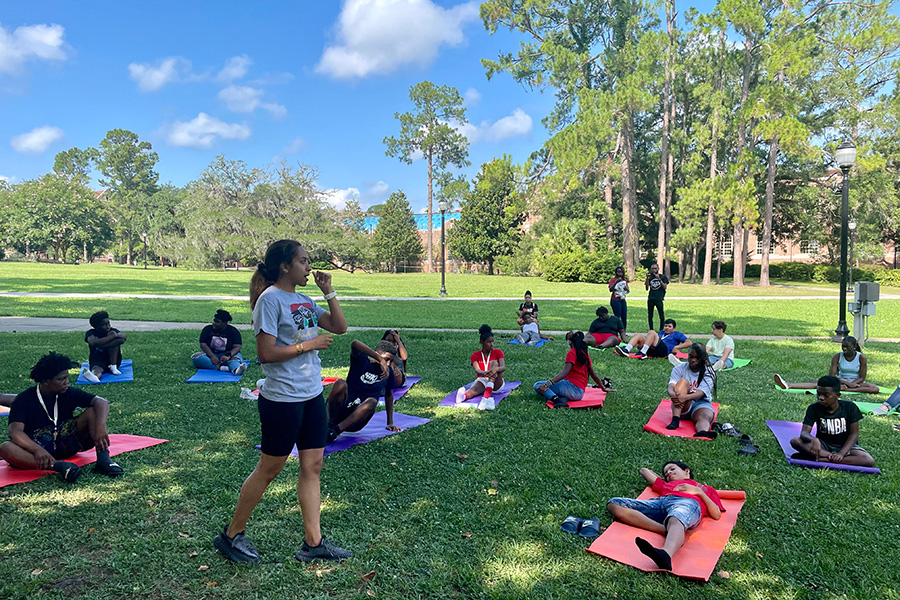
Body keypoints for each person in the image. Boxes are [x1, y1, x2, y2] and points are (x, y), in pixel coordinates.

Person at [213, 239, 351, 565]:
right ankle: (231, 535)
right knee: (270, 468)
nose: (309, 266)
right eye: (303, 261)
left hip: (311, 397)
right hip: (282, 401)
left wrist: (328, 292)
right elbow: (266, 354)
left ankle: (313, 543)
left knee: (312, 466)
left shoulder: (303, 299)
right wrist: (309, 344)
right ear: (285, 266)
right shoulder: (269, 301)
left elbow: (340, 327)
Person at [0, 352, 124, 483]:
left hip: (65, 442)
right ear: (46, 381)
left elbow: (101, 402)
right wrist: (37, 450)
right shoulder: (24, 400)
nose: (66, 382)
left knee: (93, 412)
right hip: (38, 449)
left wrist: (100, 426)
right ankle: (59, 466)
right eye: (61, 379)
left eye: (66, 377)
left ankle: (104, 459)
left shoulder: (67, 392)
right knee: (5, 448)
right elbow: (15, 432)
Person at [606, 461, 724, 571]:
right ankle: (666, 529)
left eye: (673, 469)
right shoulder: (666, 485)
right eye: (666, 474)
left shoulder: (704, 488)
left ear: (686, 471)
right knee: (614, 503)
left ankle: (666, 554)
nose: (669, 473)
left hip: (688, 502)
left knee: (676, 516)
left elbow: (716, 514)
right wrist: (666, 480)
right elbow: (644, 471)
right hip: (661, 502)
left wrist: (699, 492)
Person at [789, 375, 875, 467]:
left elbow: (854, 434)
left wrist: (841, 453)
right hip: (823, 446)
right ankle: (829, 458)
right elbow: (804, 432)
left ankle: (820, 460)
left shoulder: (850, 407)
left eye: (826, 395)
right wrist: (814, 439)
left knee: (868, 460)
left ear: (838, 395)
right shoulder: (813, 408)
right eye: (818, 394)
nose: (821, 398)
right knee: (795, 441)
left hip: (846, 447)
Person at [326, 340, 399, 443]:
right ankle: (329, 424)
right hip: (339, 411)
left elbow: (389, 395)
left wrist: (390, 422)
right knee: (340, 383)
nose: (387, 363)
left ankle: (334, 432)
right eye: (386, 359)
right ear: (376, 354)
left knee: (372, 402)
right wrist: (379, 360)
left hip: (356, 419)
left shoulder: (388, 373)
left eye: (390, 361)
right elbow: (355, 344)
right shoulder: (361, 361)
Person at [774, 336, 880, 394]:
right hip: (839, 382)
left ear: (854, 347)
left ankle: (847, 391)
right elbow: (832, 377)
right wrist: (843, 383)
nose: (844, 349)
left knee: (874, 389)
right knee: (818, 383)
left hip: (856, 384)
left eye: (847, 347)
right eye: (843, 346)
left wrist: (850, 385)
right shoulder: (837, 357)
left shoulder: (861, 357)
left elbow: (862, 377)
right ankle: (788, 385)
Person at [534, 331, 609, 408]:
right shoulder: (585, 354)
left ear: (569, 342)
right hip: (580, 393)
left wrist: (547, 384)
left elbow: (564, 373)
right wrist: (603, 388)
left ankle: (557, 400)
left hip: (571, 388)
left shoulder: (572, 353)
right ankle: (563, 398)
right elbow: (594, 374)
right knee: (554, 387)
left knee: (538, 385)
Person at [666, 343, 717, 438]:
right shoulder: (679, 368)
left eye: (696, 357)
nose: (693, 360)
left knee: (704, 417)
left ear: (703, 358)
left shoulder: (708, 373)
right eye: (690, 356)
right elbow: (671, 386)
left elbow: (700, 393)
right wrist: (673, 395)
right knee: (683, 382)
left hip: (700, 403)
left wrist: (684, 397)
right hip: (681, 405)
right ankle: (675, 420)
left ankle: (703, 432)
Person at [455, 325, 505, 410]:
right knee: (473, 390)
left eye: (493, 342)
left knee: (493, 363)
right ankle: (462, 397)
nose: (492, 345)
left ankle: (485, 399)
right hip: (483, 379)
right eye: (489, 342)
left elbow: (503, 367)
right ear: (482, 342)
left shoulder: (498, 352)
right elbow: (477, 370)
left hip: (497, 381)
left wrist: (495, 369)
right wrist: (486, 372)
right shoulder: (475, 355)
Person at [192, 309, 248, 376]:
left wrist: (228, 356)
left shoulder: (233, 331)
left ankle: (236, 370)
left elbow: (237, 346)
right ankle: (222, 368)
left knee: (235, 359)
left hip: (228, 355)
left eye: (217, 322)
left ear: (224, 323)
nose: (214, 323)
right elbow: (203, 344)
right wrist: (212, 356)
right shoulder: (207, 329)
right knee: (196, 357)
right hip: (212, 354)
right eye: (214, 321)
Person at [669, 320, 734, 372]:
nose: (712, 331)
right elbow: (706, 350)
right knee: (703, 361)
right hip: (714, 356)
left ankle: (715, 367)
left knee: (724, 364)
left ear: (720, 330)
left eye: (714, 329)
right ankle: (682, 364)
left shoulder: (728, 340)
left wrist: (721, 361)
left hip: (727, 359)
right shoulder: (713, 339)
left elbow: (726, 354)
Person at [82, 311, 126, 383]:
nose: (108, 326)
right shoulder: (91, 333)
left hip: (113, 359)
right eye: (104, 325)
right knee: (97, 369)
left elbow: (122, 339)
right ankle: (95, 376)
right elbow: (93, 342)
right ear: (96, 326)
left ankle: (113, 366)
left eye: (108, 323)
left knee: (113, 339)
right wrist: (112, 337)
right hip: (98, 360)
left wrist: (113, 336)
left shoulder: (113, 331)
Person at [614, 319, 690, 360]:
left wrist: (676, 347)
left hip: (664, 351)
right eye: (666, 326)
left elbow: (689, 343)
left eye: (669, 326)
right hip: (653, 350)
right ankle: (627, 350)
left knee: (652, 332)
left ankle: (643, 353)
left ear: (674, 328)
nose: (667, 328)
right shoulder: (661, 332)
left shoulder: (677, 334)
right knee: (638, 335)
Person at [645, 263, 669, 331]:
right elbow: (646, 288)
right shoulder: (650, 277)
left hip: (659, 299)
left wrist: (659, 279)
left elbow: (664, 287)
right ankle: (651, 329)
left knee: (661, 315)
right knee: (650, 315)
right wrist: (647, 278)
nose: (654, 270)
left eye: (655, 268)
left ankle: (661, 329)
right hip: (651, 298)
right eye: (652, 269)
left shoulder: (663, 277)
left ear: (658, 269)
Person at [608, 266, 630, 331]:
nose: (619, 274)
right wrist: (616, 282)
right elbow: (610, 289)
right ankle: (616, 331)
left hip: (622, 300)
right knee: (617, 316)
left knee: (624, 317)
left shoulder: (625, 280)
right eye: (618, 272)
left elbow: (628, 290)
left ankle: (624, 331)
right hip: (615, 300)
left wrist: (626, 288)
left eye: (621, 272)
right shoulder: (613, 280)